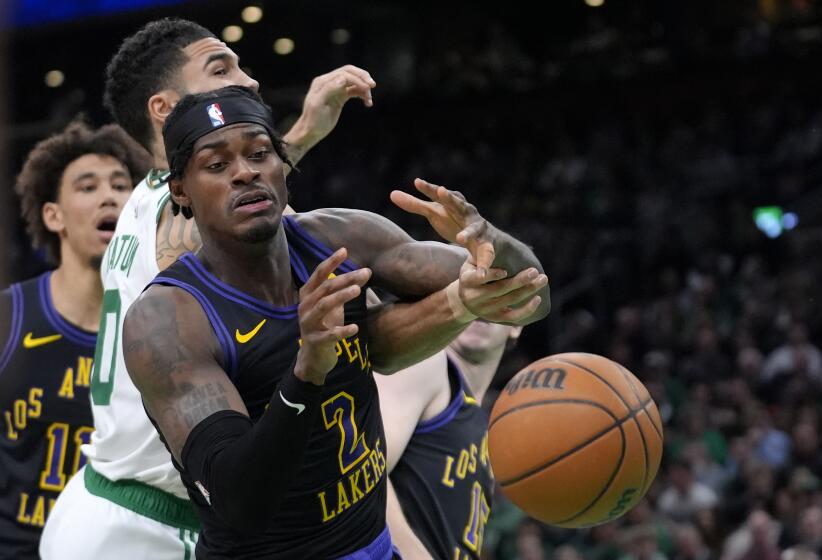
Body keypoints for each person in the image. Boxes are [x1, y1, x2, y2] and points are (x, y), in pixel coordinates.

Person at [41, 18, 549, 559]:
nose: (250, 81)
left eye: (261, 153)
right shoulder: (171, 245)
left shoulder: (162, 203)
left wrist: (469, 286)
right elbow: (206, 235)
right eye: (221, 68)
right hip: (156, 524)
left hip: (169, 499)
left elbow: (373, 338)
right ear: (166, 119)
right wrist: (303, 130)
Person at [0, 120, 149, 559]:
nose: (109, 196)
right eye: (87, 187)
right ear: (54, 215)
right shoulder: (11, 317)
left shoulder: (158, 321)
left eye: (122, 185)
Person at [377, 321, 521, 559]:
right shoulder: (426, 364)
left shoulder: (482, 425)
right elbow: (360, 467)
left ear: (516, 324)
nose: (482, 306)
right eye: (473, 288)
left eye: (499, 293)